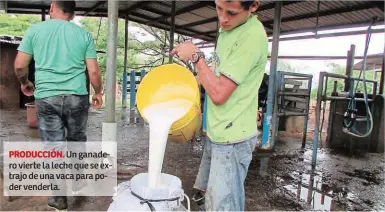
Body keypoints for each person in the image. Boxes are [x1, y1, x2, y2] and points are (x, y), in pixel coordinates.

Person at [171, 0, 268, 210]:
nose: (222, 18)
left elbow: (219, 94)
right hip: (218, 131)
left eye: (231, 12)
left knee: (223, 206)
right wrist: (185, 85)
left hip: (232, 139)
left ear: (253, 6)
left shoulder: (251, 37)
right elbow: (217, 70)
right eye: (218, 8)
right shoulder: (229, 29)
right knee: (211, 199)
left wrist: (196, 57)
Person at [14, 0, 103, 210]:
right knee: (77, 140)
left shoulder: (35, 30)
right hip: (76, 97)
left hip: (46, 98)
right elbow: (93, 72)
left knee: (53, 148)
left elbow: (19, 66)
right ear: (72, 14)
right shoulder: (83, 35)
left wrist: (25, 83)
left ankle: (59, 198)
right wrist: (98, 92)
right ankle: (79, 181)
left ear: (53, 7)